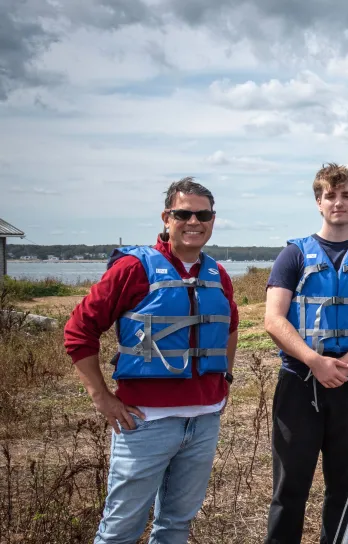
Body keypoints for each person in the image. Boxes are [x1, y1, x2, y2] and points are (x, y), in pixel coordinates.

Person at [64, 178, 238, 544]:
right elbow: (79, 331)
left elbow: (229, 329)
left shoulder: (218, 275)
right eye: (183, 213)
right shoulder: (133, 269)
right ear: (166, 218)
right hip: (144, 423)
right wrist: (102, 397)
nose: (194, 221)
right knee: (120, 529)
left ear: (213, 219)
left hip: (203, 421)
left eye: (202, 214)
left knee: (176, 524)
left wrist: (225, 381)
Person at [263, 163, 348, 544]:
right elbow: (274, 319)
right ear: (319, 202)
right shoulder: (293, 255)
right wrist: (314, 361)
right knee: (289, 488)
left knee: (346, 487)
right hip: (300, 383)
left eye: (346, 196)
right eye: (330, 196)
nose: (338, 202)